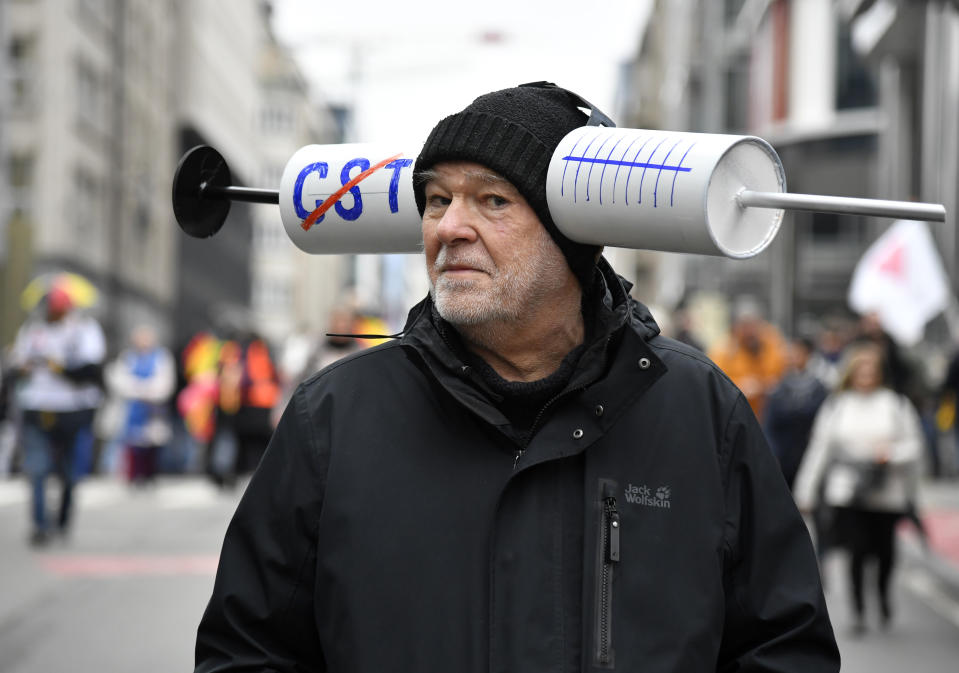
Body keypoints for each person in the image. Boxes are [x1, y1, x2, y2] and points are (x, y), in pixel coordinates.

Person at [194, 82, 838, 672]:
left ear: (573, 239)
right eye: (438, 200)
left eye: (493, 200)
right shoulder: (332, 418)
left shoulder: (699, 413)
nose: (449, 227)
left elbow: (785, 647)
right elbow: (246, 651)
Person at [793, 343, 923, 635]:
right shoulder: (837, 405)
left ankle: (882, 596)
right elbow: (820, 450)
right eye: (860, 371)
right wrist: (806, 492)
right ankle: (858, 609)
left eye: (870, 371)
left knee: (885, 551)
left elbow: (915, 447)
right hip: (848, 490)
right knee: (856, 550)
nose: (865, 377)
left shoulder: (896, 404)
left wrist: (891, 454)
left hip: (886, 489)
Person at [9, 285, 106, 545]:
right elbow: (18, 364)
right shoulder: (32, 331)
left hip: (74, 410)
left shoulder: (85, 331)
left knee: (70, 471)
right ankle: (40, 524)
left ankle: (63, 516)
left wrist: (59, 367)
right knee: (37, 468)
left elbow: (90, 370)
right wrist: (25, 366)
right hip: (38, 407)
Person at [104, 325, 176, 485]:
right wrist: (139, 390)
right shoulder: (128, 357)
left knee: (153, 443)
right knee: (133, 444)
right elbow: (120, 380)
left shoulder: (161, 356)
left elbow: (165, 382)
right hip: (133, 408)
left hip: (153, 407)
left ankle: (150, 475)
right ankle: (134, 475)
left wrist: (148, 391)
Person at [762, 336, 829, 490]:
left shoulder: (818, 388)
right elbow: (770, 423)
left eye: (798, 353)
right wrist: (772, 453)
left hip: (808, 452)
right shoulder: (779, 387)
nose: (792, 357)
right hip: (783, 455)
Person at [708, 296, 789, 419]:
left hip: (771, 416)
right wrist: (739, 386)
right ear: (736, 327)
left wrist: (766, 385)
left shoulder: (773, 343)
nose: (750, 331)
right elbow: (714, 384)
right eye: (744, 326)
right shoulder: (724, 350)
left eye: (753, 325)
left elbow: (785, 374)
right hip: (738, 416)